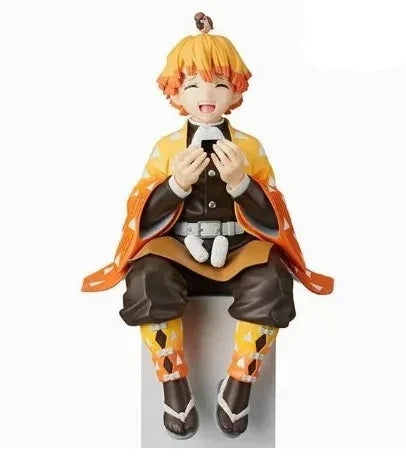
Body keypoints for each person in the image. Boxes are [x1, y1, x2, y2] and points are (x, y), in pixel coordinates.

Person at [82, 12, 334, 440]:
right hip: (180, 251)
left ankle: (239, 382)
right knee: (146, 277)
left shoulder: (250, 147)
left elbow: (276, 213)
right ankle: (173, 383)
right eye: (193, 85)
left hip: (238, 250)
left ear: (235, 91)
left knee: (273, 282)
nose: (206, 95)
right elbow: (138, 210)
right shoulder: (165, 148)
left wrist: (242, 184)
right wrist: (174, 186)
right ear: (175, 92)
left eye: (218, 85)